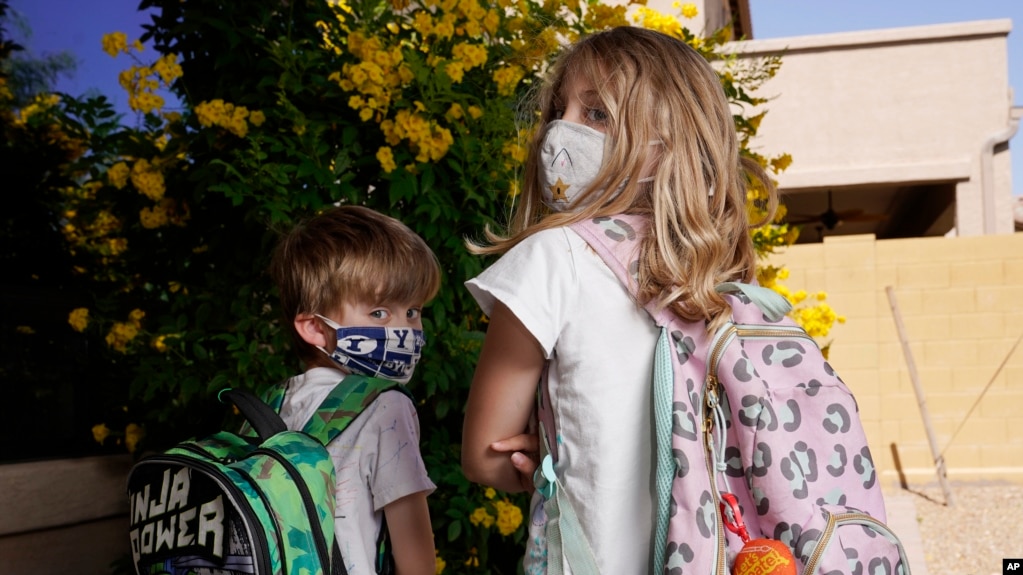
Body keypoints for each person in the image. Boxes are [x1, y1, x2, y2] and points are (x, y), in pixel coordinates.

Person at [460, 26, 777, 573]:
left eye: (597, 113)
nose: (561, 130)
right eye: (558, 109)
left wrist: (539, 449)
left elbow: (485, 456)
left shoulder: (554, 257)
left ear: (673, 141)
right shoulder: (712, 277)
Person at [269, 205, 439, 575]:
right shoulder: (387, 407)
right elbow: (417, 561)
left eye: (412, 311)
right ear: (315, 328)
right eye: (379, 313)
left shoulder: (271, 406)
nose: (404, 330)